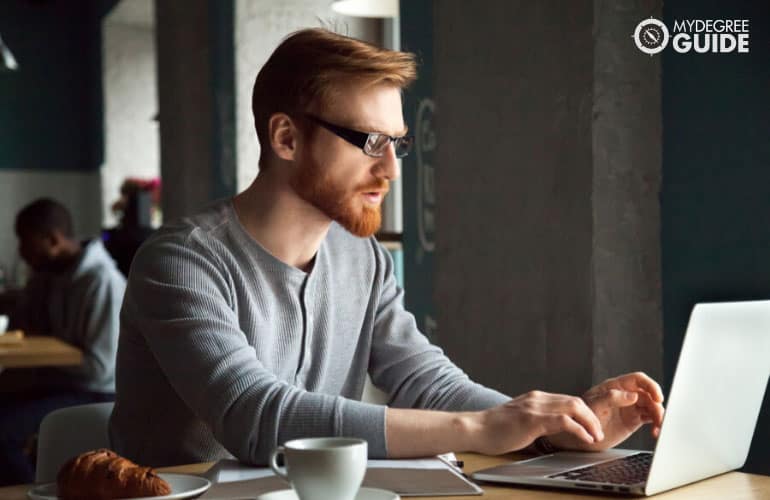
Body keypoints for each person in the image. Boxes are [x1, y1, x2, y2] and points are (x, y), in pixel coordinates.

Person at [110, 28, 665, 467]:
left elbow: (427, 384)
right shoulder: (181, 263)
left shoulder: (363, 259)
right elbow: (257, 418)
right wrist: (484, 428)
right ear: (285, 137)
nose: (391, 168)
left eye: (398, 143)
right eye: (371, 141)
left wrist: (558, 430)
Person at [0, 198, 126, 485]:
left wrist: (39, 371)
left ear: (53, 240)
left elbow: (100, 369)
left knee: (2, 431)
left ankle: (27, 494)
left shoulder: (102, 282)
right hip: (60, 381)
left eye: (25, 241)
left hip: (98, 391)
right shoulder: (48, 274)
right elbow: (23, 326)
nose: (21, 251)